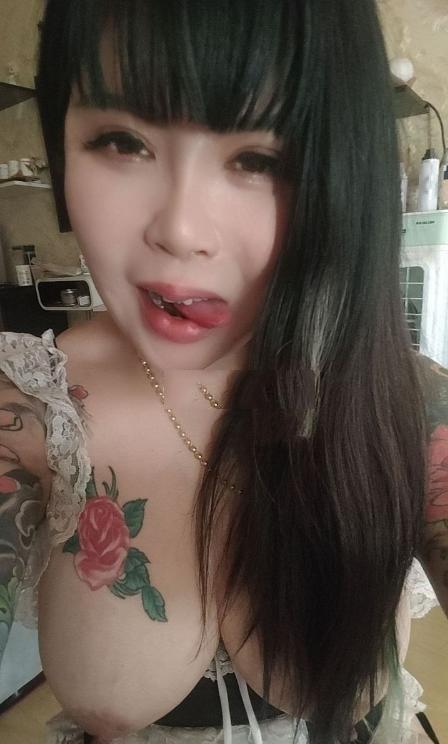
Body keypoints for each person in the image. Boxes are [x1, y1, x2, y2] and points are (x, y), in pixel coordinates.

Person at [0, 1, 446, 742]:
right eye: (122, 141)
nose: (179, 230)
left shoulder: (407, 398)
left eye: (260, 161)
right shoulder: (31, 404)